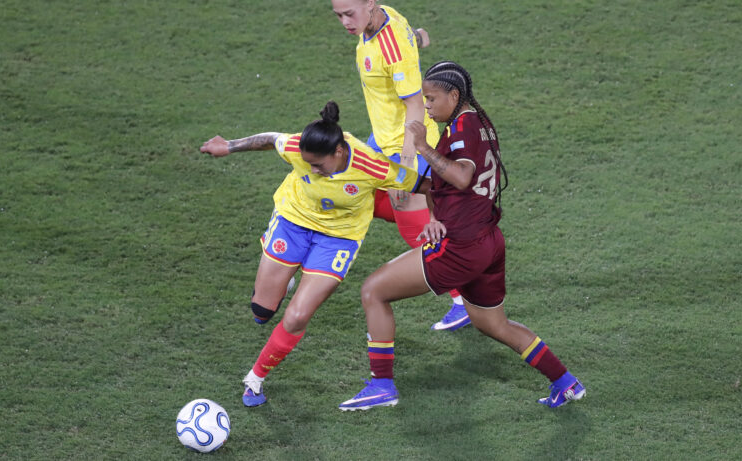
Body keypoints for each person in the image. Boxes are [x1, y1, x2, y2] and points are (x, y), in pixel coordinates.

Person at [338, 62, 586, 411]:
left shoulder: (462, 129)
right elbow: (441, 184)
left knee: (373, 291)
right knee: (493, 324)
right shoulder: (475, 122)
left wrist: (422, 147)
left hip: (462, 247)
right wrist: (435, 216)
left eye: (431, 99)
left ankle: (382, 386)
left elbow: (460, 177)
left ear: (453, 95)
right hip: (487, 240)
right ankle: (565, 382)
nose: (425, 106)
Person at [200, 101, 427, 407]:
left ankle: (254, 379)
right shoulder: (299, 148)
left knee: (297, 316)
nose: (313, 170)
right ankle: (286, 279)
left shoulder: (371, 166)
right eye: (308, 164)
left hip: (338, 239)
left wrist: (448, 209)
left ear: (339, 152)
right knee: (261, 312)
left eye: (318, 165)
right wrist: (229, 146)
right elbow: (270, 139)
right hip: (293, 221)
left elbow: (427, 185)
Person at [331, 0, 470, 331]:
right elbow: (409, 36)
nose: (344, 22)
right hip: (382, 138)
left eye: (349, 13)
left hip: (403, 144)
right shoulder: (381, 19)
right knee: (343, 187)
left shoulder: (388, 40)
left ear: (370, 4)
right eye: (338, 15)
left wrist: (406, 163)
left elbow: (414, 105)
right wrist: (419, 38)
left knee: (412, 226)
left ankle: (463, 297)